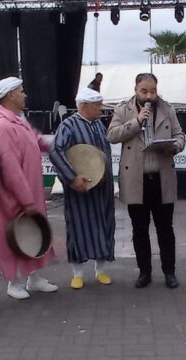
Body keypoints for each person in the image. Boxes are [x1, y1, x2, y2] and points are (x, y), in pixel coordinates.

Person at [107, 73, 185, 288]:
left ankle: (169, 272)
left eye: (153, 91)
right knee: (139, 230)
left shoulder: (168, 109)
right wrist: (136, 121)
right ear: (135, 90)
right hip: (136, 180)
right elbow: (112, 135)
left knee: (165, 229)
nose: (149, 96)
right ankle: (144, 272)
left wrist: (175, 146)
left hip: (161, 178)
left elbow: (180, 135)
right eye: (144, 91)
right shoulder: (123, 110)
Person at [0, 77, 58, 298]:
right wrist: (26, 200)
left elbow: (37, 139)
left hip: (31, 189)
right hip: (14, 195)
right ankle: (14, 283)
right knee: (14, 235)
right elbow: (10, 168)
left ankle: (34, 278)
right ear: (10, 96)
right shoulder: (2, 126)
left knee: (34, 233)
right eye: (21, 91)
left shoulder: (18, 119)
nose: (25, 94)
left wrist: (58, 143)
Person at [49, 88, 115, 289]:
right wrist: (72, 177)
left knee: (104, 225)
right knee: (79, 228)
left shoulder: (99, 125)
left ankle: (100, 270)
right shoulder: (68, 125)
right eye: (97, 105)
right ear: (84, 106)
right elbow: (55, 151)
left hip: (102, 188)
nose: (100, 109)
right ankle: (77, 274)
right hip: (80, 188)